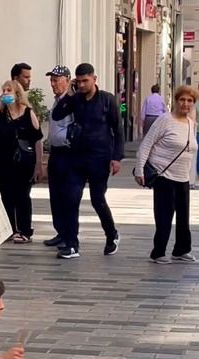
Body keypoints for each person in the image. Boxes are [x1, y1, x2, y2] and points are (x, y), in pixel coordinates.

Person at [52, 63, 124, 259]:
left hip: (100, 158)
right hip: (77, 157)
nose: (82, 85)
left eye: (86, 80)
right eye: (79, 81)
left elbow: (117, 130)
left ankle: (112, 235)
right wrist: (68, 93)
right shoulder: (75, 99)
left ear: (94, 79)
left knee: (97, 199)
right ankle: (72, 244)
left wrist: (116, 158)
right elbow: (57, 114)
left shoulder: (107, 100)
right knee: (71, 198)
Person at [134, 85, 198, 264]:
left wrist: (191, 178)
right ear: (176, 101)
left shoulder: (191, 124)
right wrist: (140, 170)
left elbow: (190, 151)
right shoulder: (165, 120)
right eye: (182, 100)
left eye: (190, 101)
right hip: (163, 175)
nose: (185, 104)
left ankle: (181, 250)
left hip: (183, 177)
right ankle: (158, 252)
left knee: (184, 216)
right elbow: (146, 144)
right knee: (164, 215)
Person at [0, 80, 43, 243]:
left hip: (23, 162)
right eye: (3, 90)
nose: (5, 93)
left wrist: (38, 164)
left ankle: (25, 230)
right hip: (2, 161)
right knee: (6, 195)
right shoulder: (1, 114)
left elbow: (37, 140)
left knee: (22, 195)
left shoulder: (28, 113)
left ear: (17, 94)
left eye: (9, 90)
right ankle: (10, 229)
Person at [43, 65, 74, 248]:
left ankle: (68, 234)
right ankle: (60, 231)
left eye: (57, 80)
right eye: (51, 80)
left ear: (67, 80)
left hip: (67, 153)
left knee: (66, 195)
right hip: (55, 152)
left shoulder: (71, 100)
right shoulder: (57, 101)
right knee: (55, 194)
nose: (53, 84)